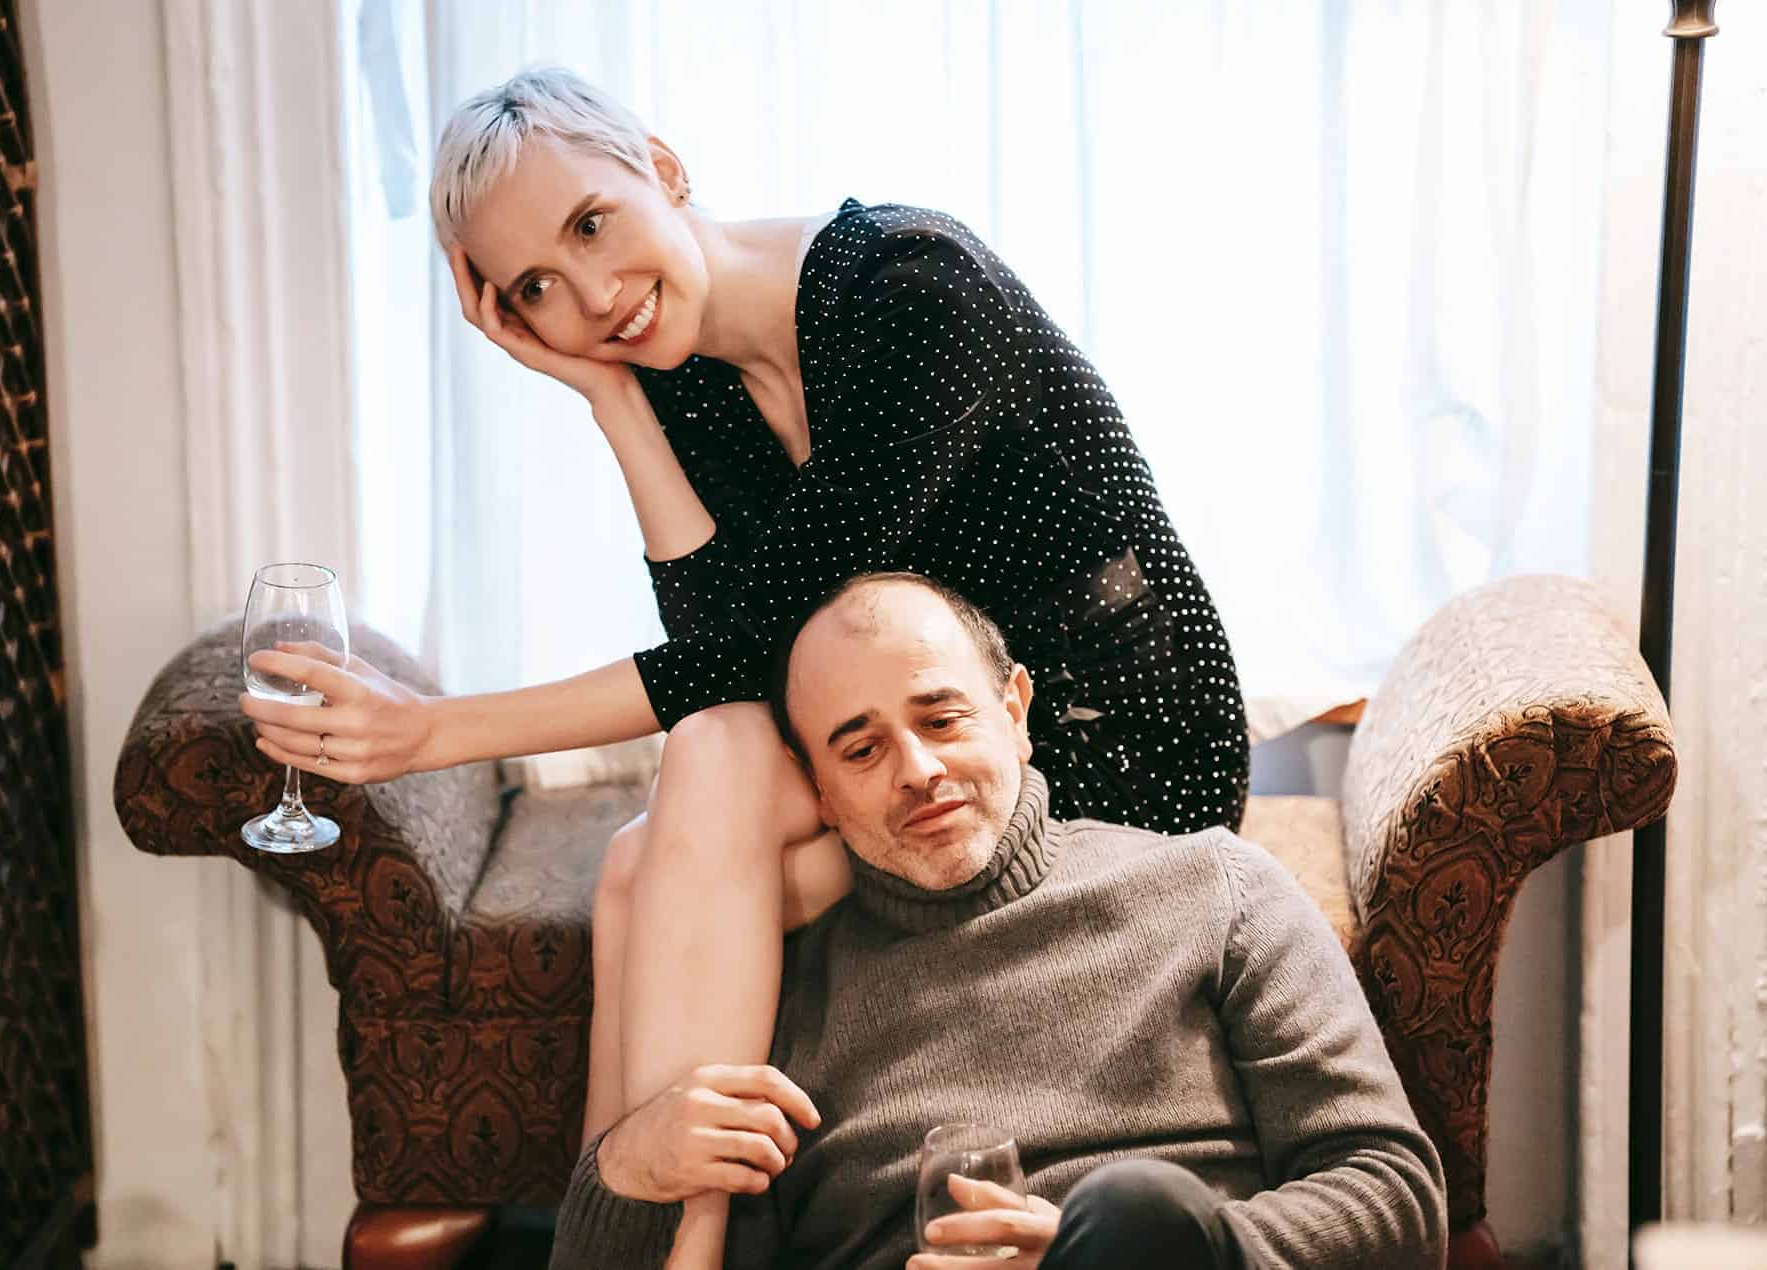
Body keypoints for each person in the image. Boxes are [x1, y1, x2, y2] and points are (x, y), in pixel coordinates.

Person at [237, 66, 1250, 1265]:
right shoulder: (687, 374)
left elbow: (742, 652)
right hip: (916, 746)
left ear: (663, 168)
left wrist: (433, 731)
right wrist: (610, 396)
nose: (592, 295)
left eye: (591, 224)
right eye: (536, 287)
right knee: (645, 860)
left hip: (1111, 752)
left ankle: (670, 1248)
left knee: (679, 820)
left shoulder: (913, 293)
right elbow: (721, 642)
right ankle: (646, 1243)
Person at [550, 573, 1445, 1270]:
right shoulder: (766, 985)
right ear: (816, 787)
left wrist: (1158, 1251)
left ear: (1015, 712)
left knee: (1136, 1211)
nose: (918, 770)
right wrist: (630, 1169)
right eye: (861, 748)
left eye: (943, 719)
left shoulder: (1215, 889)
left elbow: (1395, 1197)